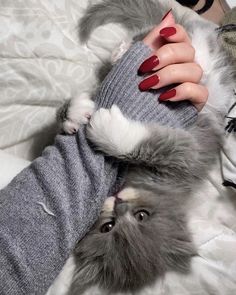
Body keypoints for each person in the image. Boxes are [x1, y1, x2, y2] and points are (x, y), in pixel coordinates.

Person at [0, 11, 208, 295]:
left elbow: (59, 162)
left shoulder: (84, 233)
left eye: (109, 225)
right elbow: (185, 157)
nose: (121, 208)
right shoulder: (167, 199)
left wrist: (71, 121)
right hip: (193, 94)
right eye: (141, 216)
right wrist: (130, 143)